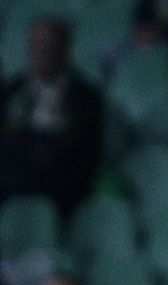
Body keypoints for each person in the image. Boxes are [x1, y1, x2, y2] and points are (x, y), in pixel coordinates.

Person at [0, 17, 104, 212]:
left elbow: (83, 153)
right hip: (11, 181)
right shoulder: (12, 90)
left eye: (48, 46)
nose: (41, 53)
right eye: (36, 45)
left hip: (57, 186)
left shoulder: (85, 97)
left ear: (65, 49)